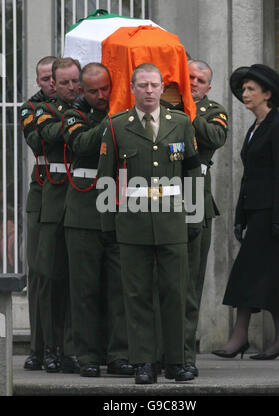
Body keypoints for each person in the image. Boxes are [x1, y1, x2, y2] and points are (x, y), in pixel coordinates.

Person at [97, 63, 203, 384]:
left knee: (175, 292)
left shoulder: (181, 124)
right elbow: (107, 178)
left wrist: (194, 217)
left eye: (154, 85)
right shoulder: (116, 126)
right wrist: (107, 225)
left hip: (172, 222)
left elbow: (192, 172)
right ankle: (143, 361)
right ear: (132, 88)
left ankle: (177, 362)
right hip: (133, 224)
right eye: (142, 85)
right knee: (137, 296)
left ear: (161, 87)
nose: (148, 90)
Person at [212, 64, 279, 360]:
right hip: (255, 211)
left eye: (251, 89)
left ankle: (240, 336)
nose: (245, 94)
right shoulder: (256, 127)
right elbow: (249, 177)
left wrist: (278, 221)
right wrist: (240, 216)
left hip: (271, 215)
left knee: (246, 273)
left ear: (267, 94)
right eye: (244, 89)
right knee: (270, 276)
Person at [62, 63, 133, 377]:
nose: (101, 95)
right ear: (81, 91)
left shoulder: (125, 115)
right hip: (83, 213)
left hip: (117, 210)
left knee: (120, 288)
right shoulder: (74, 115)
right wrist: (110, 120)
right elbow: (81, 144)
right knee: (85, 290)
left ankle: (119, 354)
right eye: (93, 91)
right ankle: (87, 356)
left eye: (106, 88)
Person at [34, 57, 81, 373]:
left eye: (74, 81)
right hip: (52, 200)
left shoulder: (88, 109)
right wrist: (73, 119)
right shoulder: (40, 110)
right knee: (49, 276)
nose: (68, 87)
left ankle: (75, 348)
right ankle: (49, 347)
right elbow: (43, 136)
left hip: (83, 200)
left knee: (80, 279)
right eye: (62, 82)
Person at [184, 60, 229, 375]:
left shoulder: (213, 110)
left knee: (191, 280)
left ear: (208, 87)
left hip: (197, 197)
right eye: (188, 78)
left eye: (200, 80)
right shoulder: (162, 106)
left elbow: (214, 138)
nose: (194, 82)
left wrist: (187, 108)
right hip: (162, 196)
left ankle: (185, 350)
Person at [20, 55, 57, 370]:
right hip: (42, 192)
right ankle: (39, 346)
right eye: (45, 79)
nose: (51, 84)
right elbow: (38, 137)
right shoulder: (31, 108)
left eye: (53, 78)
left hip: (70, 193)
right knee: (40, 273)